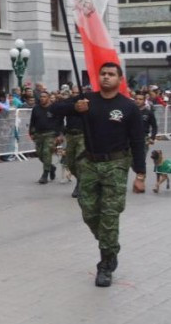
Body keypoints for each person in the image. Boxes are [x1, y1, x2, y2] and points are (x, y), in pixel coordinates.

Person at [49, 62, 146, 287]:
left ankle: (105, 264)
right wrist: (75, 108)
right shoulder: (86, 100)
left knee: (110, 215)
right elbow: (54, 109)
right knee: (89, 212)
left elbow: (138, 141)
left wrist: (140, 174)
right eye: (102, 73)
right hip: (90, 163)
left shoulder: (128, 107)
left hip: (117, 164)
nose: (106, 77)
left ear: (119, 79)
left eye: (111, 74)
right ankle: (110, 246)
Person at [28, 92, 61, 184]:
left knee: (46, 152)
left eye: (44, 97)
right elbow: (32, 121)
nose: (42, 98)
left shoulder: (54, 108)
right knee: (39, 154)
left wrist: (58, 135)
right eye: (41, 97)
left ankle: (45, 174)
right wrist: (31, 132)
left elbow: (59, 122)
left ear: (49, 98)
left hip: (50, 133)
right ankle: (51, 167)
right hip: (38, 134)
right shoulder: (36, 109)